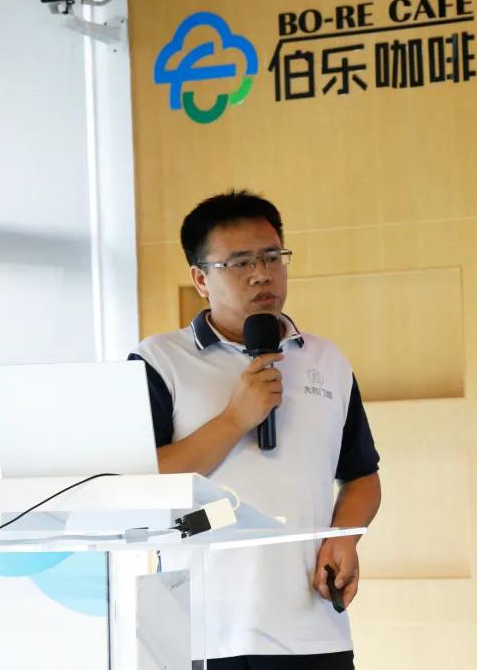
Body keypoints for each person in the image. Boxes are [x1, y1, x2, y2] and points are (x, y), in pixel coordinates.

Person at [129, 190, 381, 669]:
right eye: (240, 262)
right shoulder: (158, 361)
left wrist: (345, 537)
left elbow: (362, 476)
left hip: (313, 630)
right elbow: (139, 486)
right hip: (201, 633)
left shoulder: (327, 360)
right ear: (200, 279)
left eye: (272, 257)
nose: (262, 273)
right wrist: (234, 420)